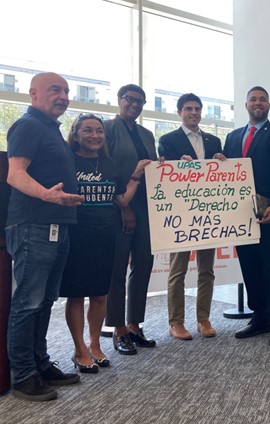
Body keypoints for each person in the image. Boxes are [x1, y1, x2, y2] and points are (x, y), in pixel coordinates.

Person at [5, 72, 83, 401]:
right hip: (33, 225)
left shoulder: (51, 128)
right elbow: (14, 174)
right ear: (34, 94)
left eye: (66, 90)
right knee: (28, 302)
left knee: (46, 301)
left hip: (56, 225)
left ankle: (40, 363)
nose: (63, 96)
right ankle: (22, 374)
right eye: (55, 90)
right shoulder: (28, 125)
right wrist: (46, 195)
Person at [60, 114, 150, 373]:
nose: (95, 135)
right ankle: (79, 350)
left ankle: (95, 344)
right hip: (77, 236)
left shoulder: (109, 164)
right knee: (76, 295)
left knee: (100, 295)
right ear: (76, 134)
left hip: (105, 236)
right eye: (87, 130)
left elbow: (121, 200)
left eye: (99, 131)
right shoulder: (68, 160)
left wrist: (135, 176)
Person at [223, 86, 270, 346]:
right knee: (250, 265)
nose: (258, 103)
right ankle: (260, 317)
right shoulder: (232, 137)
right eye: (253, 99)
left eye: (262, 99)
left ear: (269, 104)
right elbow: (227, 174)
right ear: (245, 105)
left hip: (269, 211)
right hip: (239, 213)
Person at [158, 93, 225, 340]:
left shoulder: (214, 140)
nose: (194, 112)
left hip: (208, 216)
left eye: (197, 108)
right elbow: (166, 172)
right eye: (189, 108)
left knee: (207, 270)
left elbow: (221, 173)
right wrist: (178, 164)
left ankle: (203, 319)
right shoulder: (167, 140)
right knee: (178, 271)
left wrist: (220, 160)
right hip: (182, 217)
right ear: (179, 112)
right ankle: (175, 322)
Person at [104, 84, 158, 355]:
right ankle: (118, 329)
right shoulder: (107, 129)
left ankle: (134, 325)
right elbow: (105, 169)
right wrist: (122, 205)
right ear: (119, 100)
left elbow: (155, 168)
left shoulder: (147, 134)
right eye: (130, 100)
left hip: (146, 207)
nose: (135, 105)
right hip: (119, 207)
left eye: (140, 101)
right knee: (116, 268)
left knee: (143, 264)